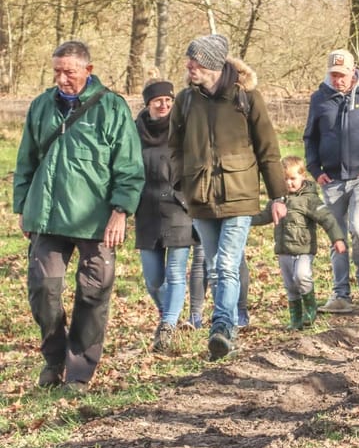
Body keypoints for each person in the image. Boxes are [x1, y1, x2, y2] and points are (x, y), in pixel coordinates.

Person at [15, 41, 144, 393]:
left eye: (69, 71)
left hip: (97, 220)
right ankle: (54, 360)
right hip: (47, 215)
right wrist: (23, 208)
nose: (61, 78)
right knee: (44, 289)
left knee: (92, 294)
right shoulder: (41, 105)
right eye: (56, 70)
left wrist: (121, 212)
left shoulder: (112, 108)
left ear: (88, 70)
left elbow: (130, 167)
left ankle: (79, 373)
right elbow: (26, 160)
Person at [169, 33, 287, 362]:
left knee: (225, 264)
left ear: (213, 64)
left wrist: (278, 196)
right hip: (200, 197)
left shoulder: (246, 98)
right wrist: (181, 181)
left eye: (196, 61)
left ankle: (223, 327)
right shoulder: (185, 100)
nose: (189, 66)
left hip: (239, 194)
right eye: (189, 61)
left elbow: (268, 150)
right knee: (212, 263)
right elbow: (174, 147)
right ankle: (224, 327)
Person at [304, 48, 359, 313]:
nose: (337, 79)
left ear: (353, 71)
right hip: (330, 180)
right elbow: (310, 137)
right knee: (337, 237)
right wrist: (313, 168)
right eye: (333, 74)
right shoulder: (319, 98)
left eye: (342, 75)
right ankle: (340, 294)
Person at [133, 79, 193, 353]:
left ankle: (168, 325)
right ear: (148, 103)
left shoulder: (182, 128)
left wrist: (188, 197)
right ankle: (166, 317)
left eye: (169, 100)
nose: (164, 105)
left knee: (176, 274)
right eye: (158, 101)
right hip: (145, 211)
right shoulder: (134, 132)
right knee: (153, 279)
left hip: (178, 209)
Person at [253, 157, 347, 330]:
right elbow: (264, 216)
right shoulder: (277, 200)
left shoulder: (309, 200)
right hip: (284, 250)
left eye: (292, 178)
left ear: (303, 176)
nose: (289, 183)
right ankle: (296, 318)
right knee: (290, 285)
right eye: (285, 179)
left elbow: (327, 218)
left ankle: (310, 308)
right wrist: (244, 221)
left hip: (304, 249)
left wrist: (338, 239)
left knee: (302, 276)